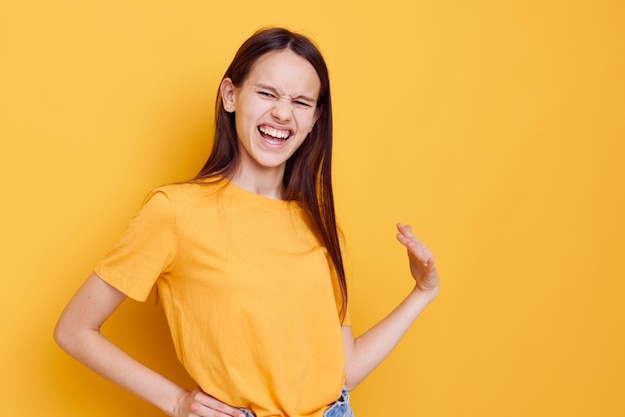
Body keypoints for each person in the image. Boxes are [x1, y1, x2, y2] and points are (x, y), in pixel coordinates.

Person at [54, 27, 440, 417]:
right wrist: (174, 400)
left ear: (314, 118)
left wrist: (421, 293)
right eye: (267, 93)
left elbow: (344, 370)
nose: (283, 113)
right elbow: (74, 330)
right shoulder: (174, 210)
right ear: (230, 95)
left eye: (301, 102)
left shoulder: (320, 226)